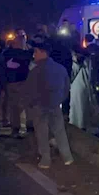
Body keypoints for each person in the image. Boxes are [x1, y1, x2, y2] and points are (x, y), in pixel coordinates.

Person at [26, 39, 74, 169]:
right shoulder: (60, 68)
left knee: (42, 133)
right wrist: (60, 100)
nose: (34, 55)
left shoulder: (36, 70)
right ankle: (67, 157)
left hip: (39, 105)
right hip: (55, 104)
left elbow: (29, 89)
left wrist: (30, 104)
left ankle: (45, 159)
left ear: (42, 52)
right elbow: (66, 87)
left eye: (36, 52)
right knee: (59, 131)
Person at [3, 30, 34, 138]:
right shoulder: (26, 54)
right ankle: (29, 127)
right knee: (26, 105)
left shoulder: (7, 53)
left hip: (12, 82)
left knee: (14, 107)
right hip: (22, 81)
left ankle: (16, 128)